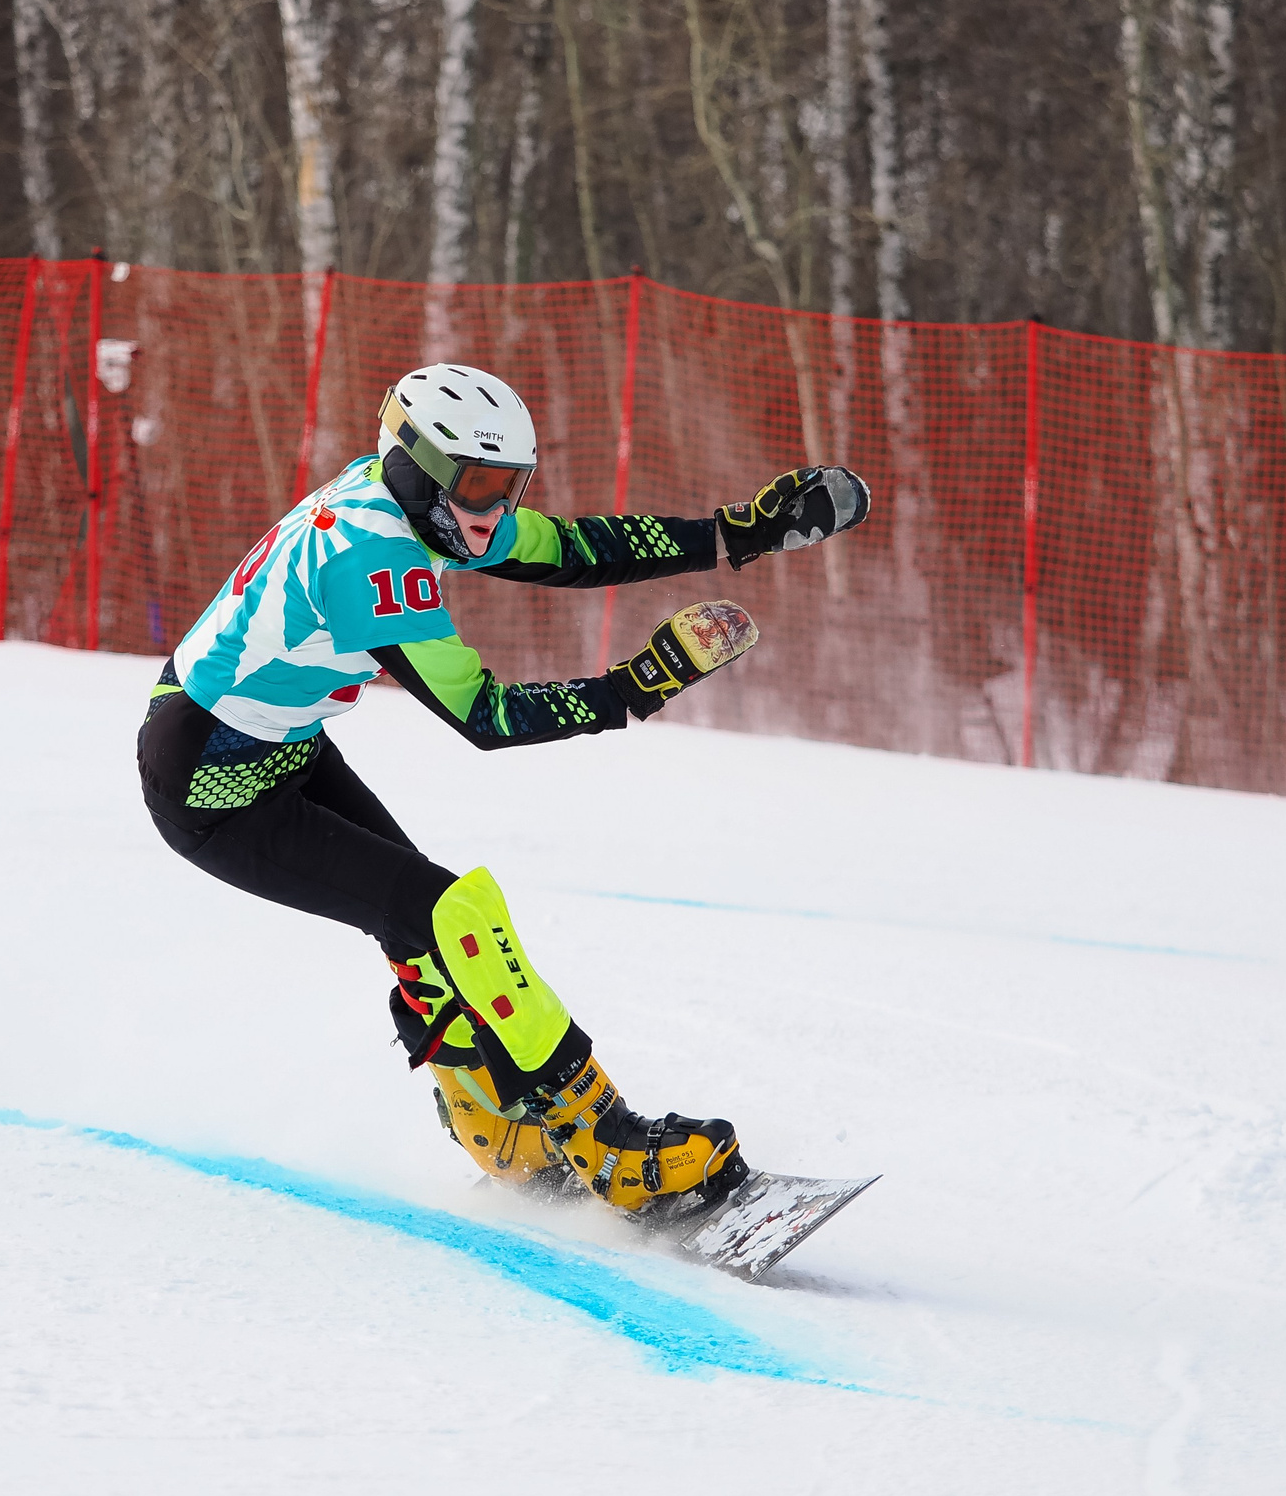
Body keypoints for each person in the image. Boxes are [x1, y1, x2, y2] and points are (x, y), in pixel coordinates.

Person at [138, 363, 868, 1220]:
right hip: (213, 783)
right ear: (414, 465)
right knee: (450, 912)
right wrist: (635, 686)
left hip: (263, 743)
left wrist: (734, 534)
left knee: (418, 924)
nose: (493, 509)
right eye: (478, 484)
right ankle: (608, 1139)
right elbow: (484, 716)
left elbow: (567, 549)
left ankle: (497, 1126)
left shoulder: (410, 498)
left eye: (508, 485)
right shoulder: (371, 553)